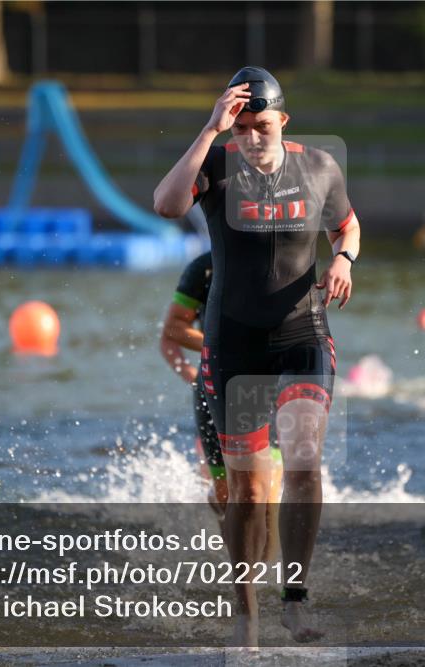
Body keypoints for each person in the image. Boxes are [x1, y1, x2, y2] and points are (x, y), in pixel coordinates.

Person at [154, 66, 361, 646]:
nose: (251, 138)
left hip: (302, 335)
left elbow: (349, 226)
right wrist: (208, 131)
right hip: (234, 342)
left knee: (302, 464)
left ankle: (293, 599)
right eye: (240, 127)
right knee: (246, 491)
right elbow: (167, 205)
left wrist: (344, 259)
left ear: (284, 122)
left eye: (261, 126)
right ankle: (245, 615)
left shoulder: (319, 167)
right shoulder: (215, 166)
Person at [159, 251, 282, 559]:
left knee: (267, 497)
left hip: (267, 386)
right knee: (229, 496)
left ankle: (273, 583)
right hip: (214, 387)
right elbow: (172, 331)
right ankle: (238, 577)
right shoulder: (203, 268)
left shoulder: (281, 260)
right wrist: (196, 366)